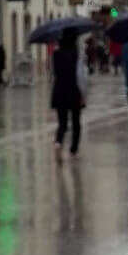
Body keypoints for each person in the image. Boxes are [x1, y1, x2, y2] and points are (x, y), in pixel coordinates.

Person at [51, 27, 87, 162]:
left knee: (62, 123)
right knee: (76, 121)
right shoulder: (77, 54)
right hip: (73, 90)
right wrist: (83, 93)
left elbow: (53, 72)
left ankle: (58, 142)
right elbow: (80, 76)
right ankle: (73, 149)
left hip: (59, 89)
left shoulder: (55, 53)